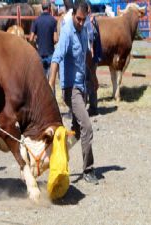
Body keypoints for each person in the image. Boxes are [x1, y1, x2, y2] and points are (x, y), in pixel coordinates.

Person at [49, 0, 99, 184]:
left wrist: (93, 77)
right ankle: (88, 169)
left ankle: (56, 156)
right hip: (71, 89)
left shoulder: (84, 28)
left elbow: (86, 53)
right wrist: (51, 83)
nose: (80, 22)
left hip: (82, 86)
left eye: (83, 19)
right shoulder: (68, 31)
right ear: (73, 15)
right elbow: (56, 57)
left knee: (78, 131)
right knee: (87, 125)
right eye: (78, 19)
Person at [29, 0, 58, 78]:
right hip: (50, 54)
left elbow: (31, 38)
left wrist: (36, 44)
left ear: (42, 8)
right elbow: (56, 39)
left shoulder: (36, 20)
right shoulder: (53, 21)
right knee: (50, 80)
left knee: (41, 79)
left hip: (40, 54)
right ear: (49, 8)